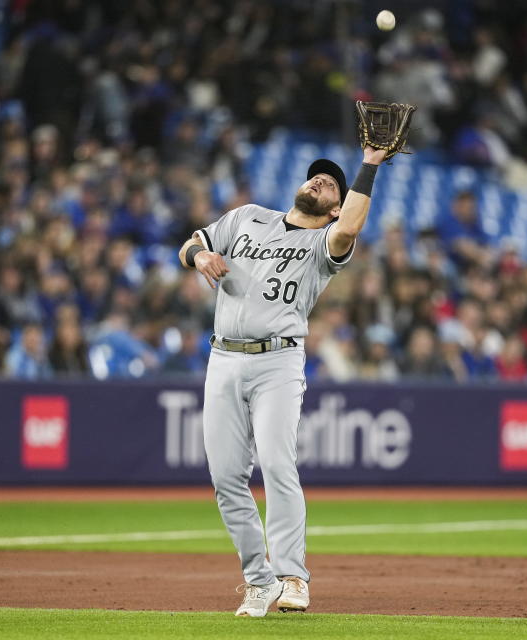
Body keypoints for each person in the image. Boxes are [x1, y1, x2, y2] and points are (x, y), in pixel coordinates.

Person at [177, 143, 388, 617]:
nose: (318, 181)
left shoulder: (325, 243)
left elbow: (352, 225)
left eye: (330, 183)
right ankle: (259, 580)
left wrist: (368, 166)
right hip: (223, 357)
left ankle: (294, 576)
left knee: (276, 463)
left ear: (335, 205)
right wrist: (198, 259)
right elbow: (189, 244)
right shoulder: (247, 217)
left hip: (278, 361)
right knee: (226, 477)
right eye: (315, 176)